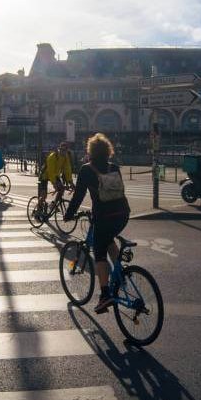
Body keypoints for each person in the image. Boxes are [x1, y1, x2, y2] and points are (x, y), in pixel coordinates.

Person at [63, 133, 131, 314]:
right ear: (108, 150)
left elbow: (78, 196)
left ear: (90, 151)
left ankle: (105, 295)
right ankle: (120, 275)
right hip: (123, 213)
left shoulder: (87, 169)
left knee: (99, 254)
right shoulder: (114, 167)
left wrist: (68, 214)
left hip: (104, 216)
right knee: (107, 239)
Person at [38, 141, 74, 208]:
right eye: (62, 150)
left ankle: (53, 204)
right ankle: (38, 209)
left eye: (65, 150)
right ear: (59, 149)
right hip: (45, 174)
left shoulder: (65, 157)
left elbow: (67, 170)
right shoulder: (53, 156)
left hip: (55, 175)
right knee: (43, 195)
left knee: (61, 189)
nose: (63, 152)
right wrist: (54, 184)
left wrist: (71, 182)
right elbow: (50, 171)